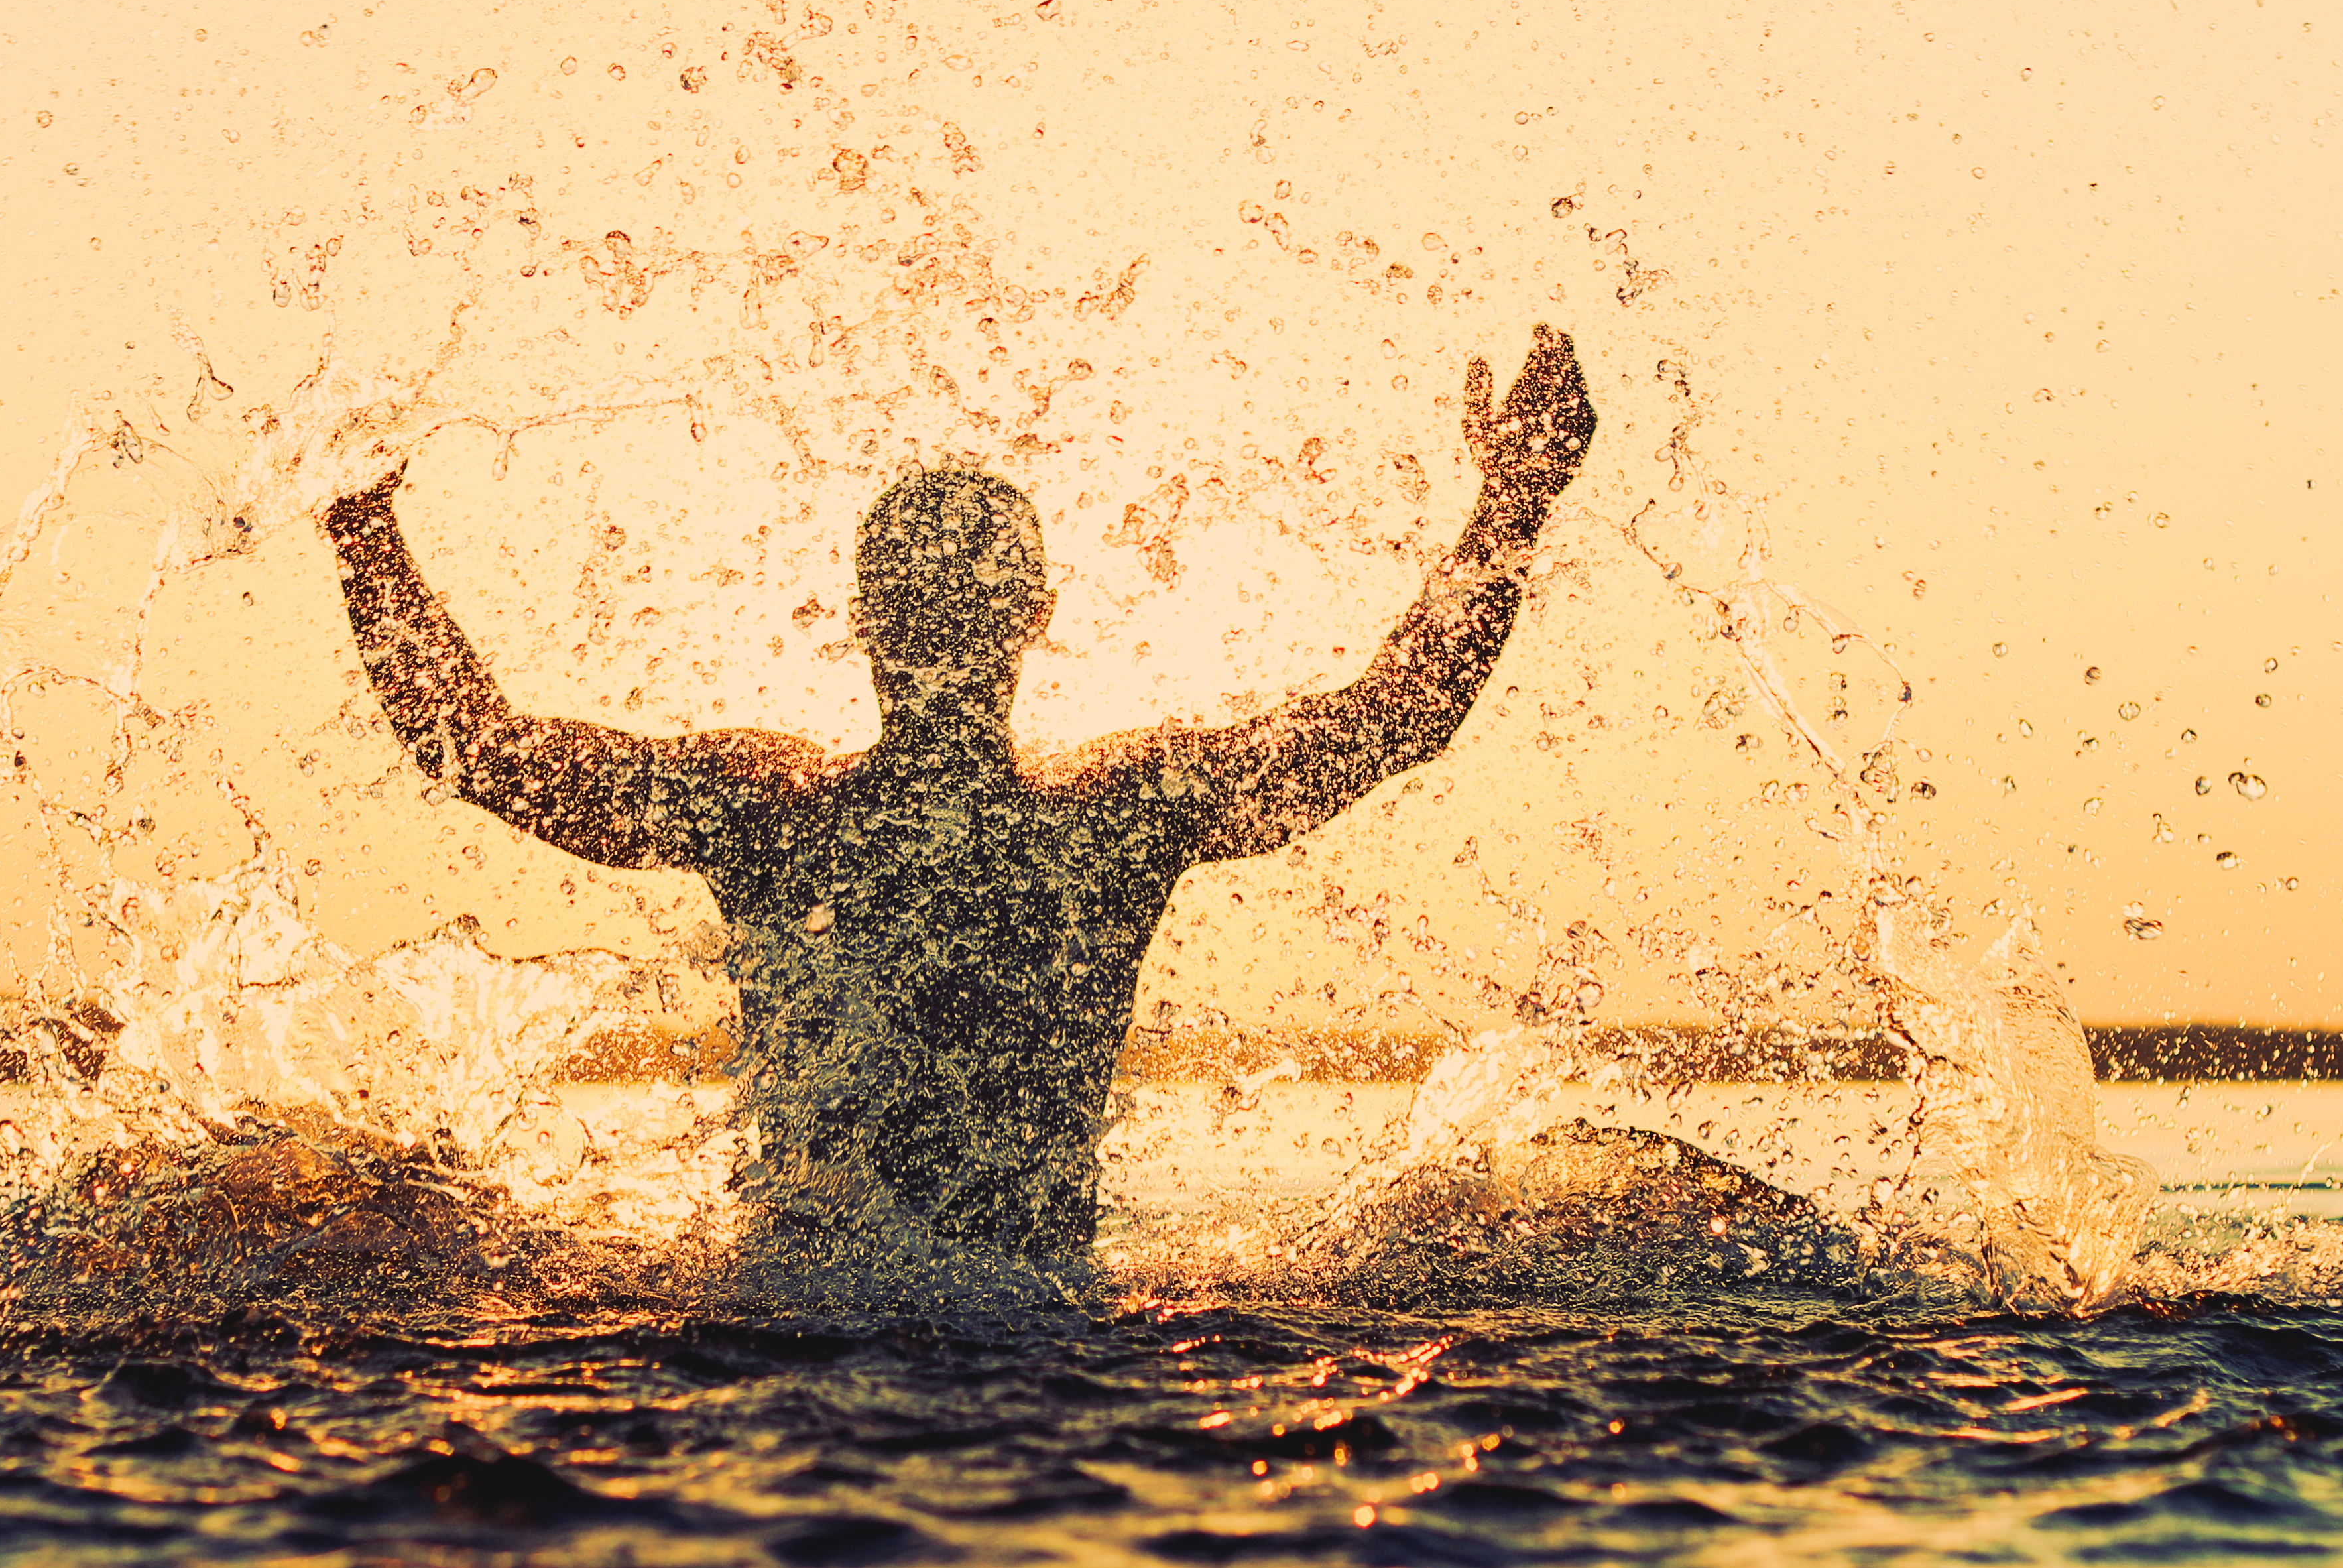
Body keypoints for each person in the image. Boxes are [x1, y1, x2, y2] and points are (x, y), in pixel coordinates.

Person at [325, 325, 1596, 1263]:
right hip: (1041, 1317)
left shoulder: (768, 814)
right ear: (1037, 622)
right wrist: (1515, 504)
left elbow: (473, 746)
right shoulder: (1114, 818)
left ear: (861, 620)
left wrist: (362, 527)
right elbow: (1394, 722)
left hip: (792, 1326)